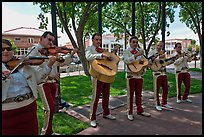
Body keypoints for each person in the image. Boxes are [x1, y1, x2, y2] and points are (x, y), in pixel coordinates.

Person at [2, 39, 56, 135]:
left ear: (12, 51)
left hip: (29, 108)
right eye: (2, 49)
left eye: (8, 49)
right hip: (6, 113)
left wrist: (49, 65)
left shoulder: (23, 65)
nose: (5, 51)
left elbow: (39, 79)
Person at [28, 31, 78, 135]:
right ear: (41, 38)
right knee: (49, 109)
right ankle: (45, 133)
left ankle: (49, 131)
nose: (51, 43)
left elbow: (62, 62)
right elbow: (31, 68)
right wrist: (50, 75)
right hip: (43, 83)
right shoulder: (34, 49)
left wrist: (72, 53)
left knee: (52, 109)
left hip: (53, 83)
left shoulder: (51, 52)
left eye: (53, 41)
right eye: (49, 40)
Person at [85, 33, 119, 128]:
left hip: (106, 74)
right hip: (96, 76)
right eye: (97, 39)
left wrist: (113, 53)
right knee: (95, 97)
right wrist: (100, 55)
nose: (98, 41)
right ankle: (92, 118)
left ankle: (106, 113)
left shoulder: (103, 50)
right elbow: (88, 57)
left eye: (100, 40)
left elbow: (108, 59)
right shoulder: (89, 49)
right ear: (92, 40)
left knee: (106, 95)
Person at [122, 36, 151, 121]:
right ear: (129, 43)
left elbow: (142, 62)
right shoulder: (126, 51)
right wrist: (136, 55)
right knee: (130, 95)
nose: (135, 44)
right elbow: (126, 61)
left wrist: (146, 64)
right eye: (133, 42)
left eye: (136, 42)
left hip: (139, 76)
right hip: (130, 76)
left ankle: (140, 110)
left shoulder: (140, 51)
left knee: (139, 95)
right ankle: (129, 112)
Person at [148, 41, 173, 111]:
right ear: (156, 45)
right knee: (157, 89)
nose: (159, 47)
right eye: (158, 45)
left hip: (163, 72)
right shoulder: (152, 52)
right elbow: (149, 61)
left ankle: (164, 103)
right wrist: (157, 55)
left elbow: (165, 63)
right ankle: (157, 104)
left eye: (161, 46)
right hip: (156, 73)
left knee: (165, 88)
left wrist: (172, 60)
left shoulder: (164, 54)